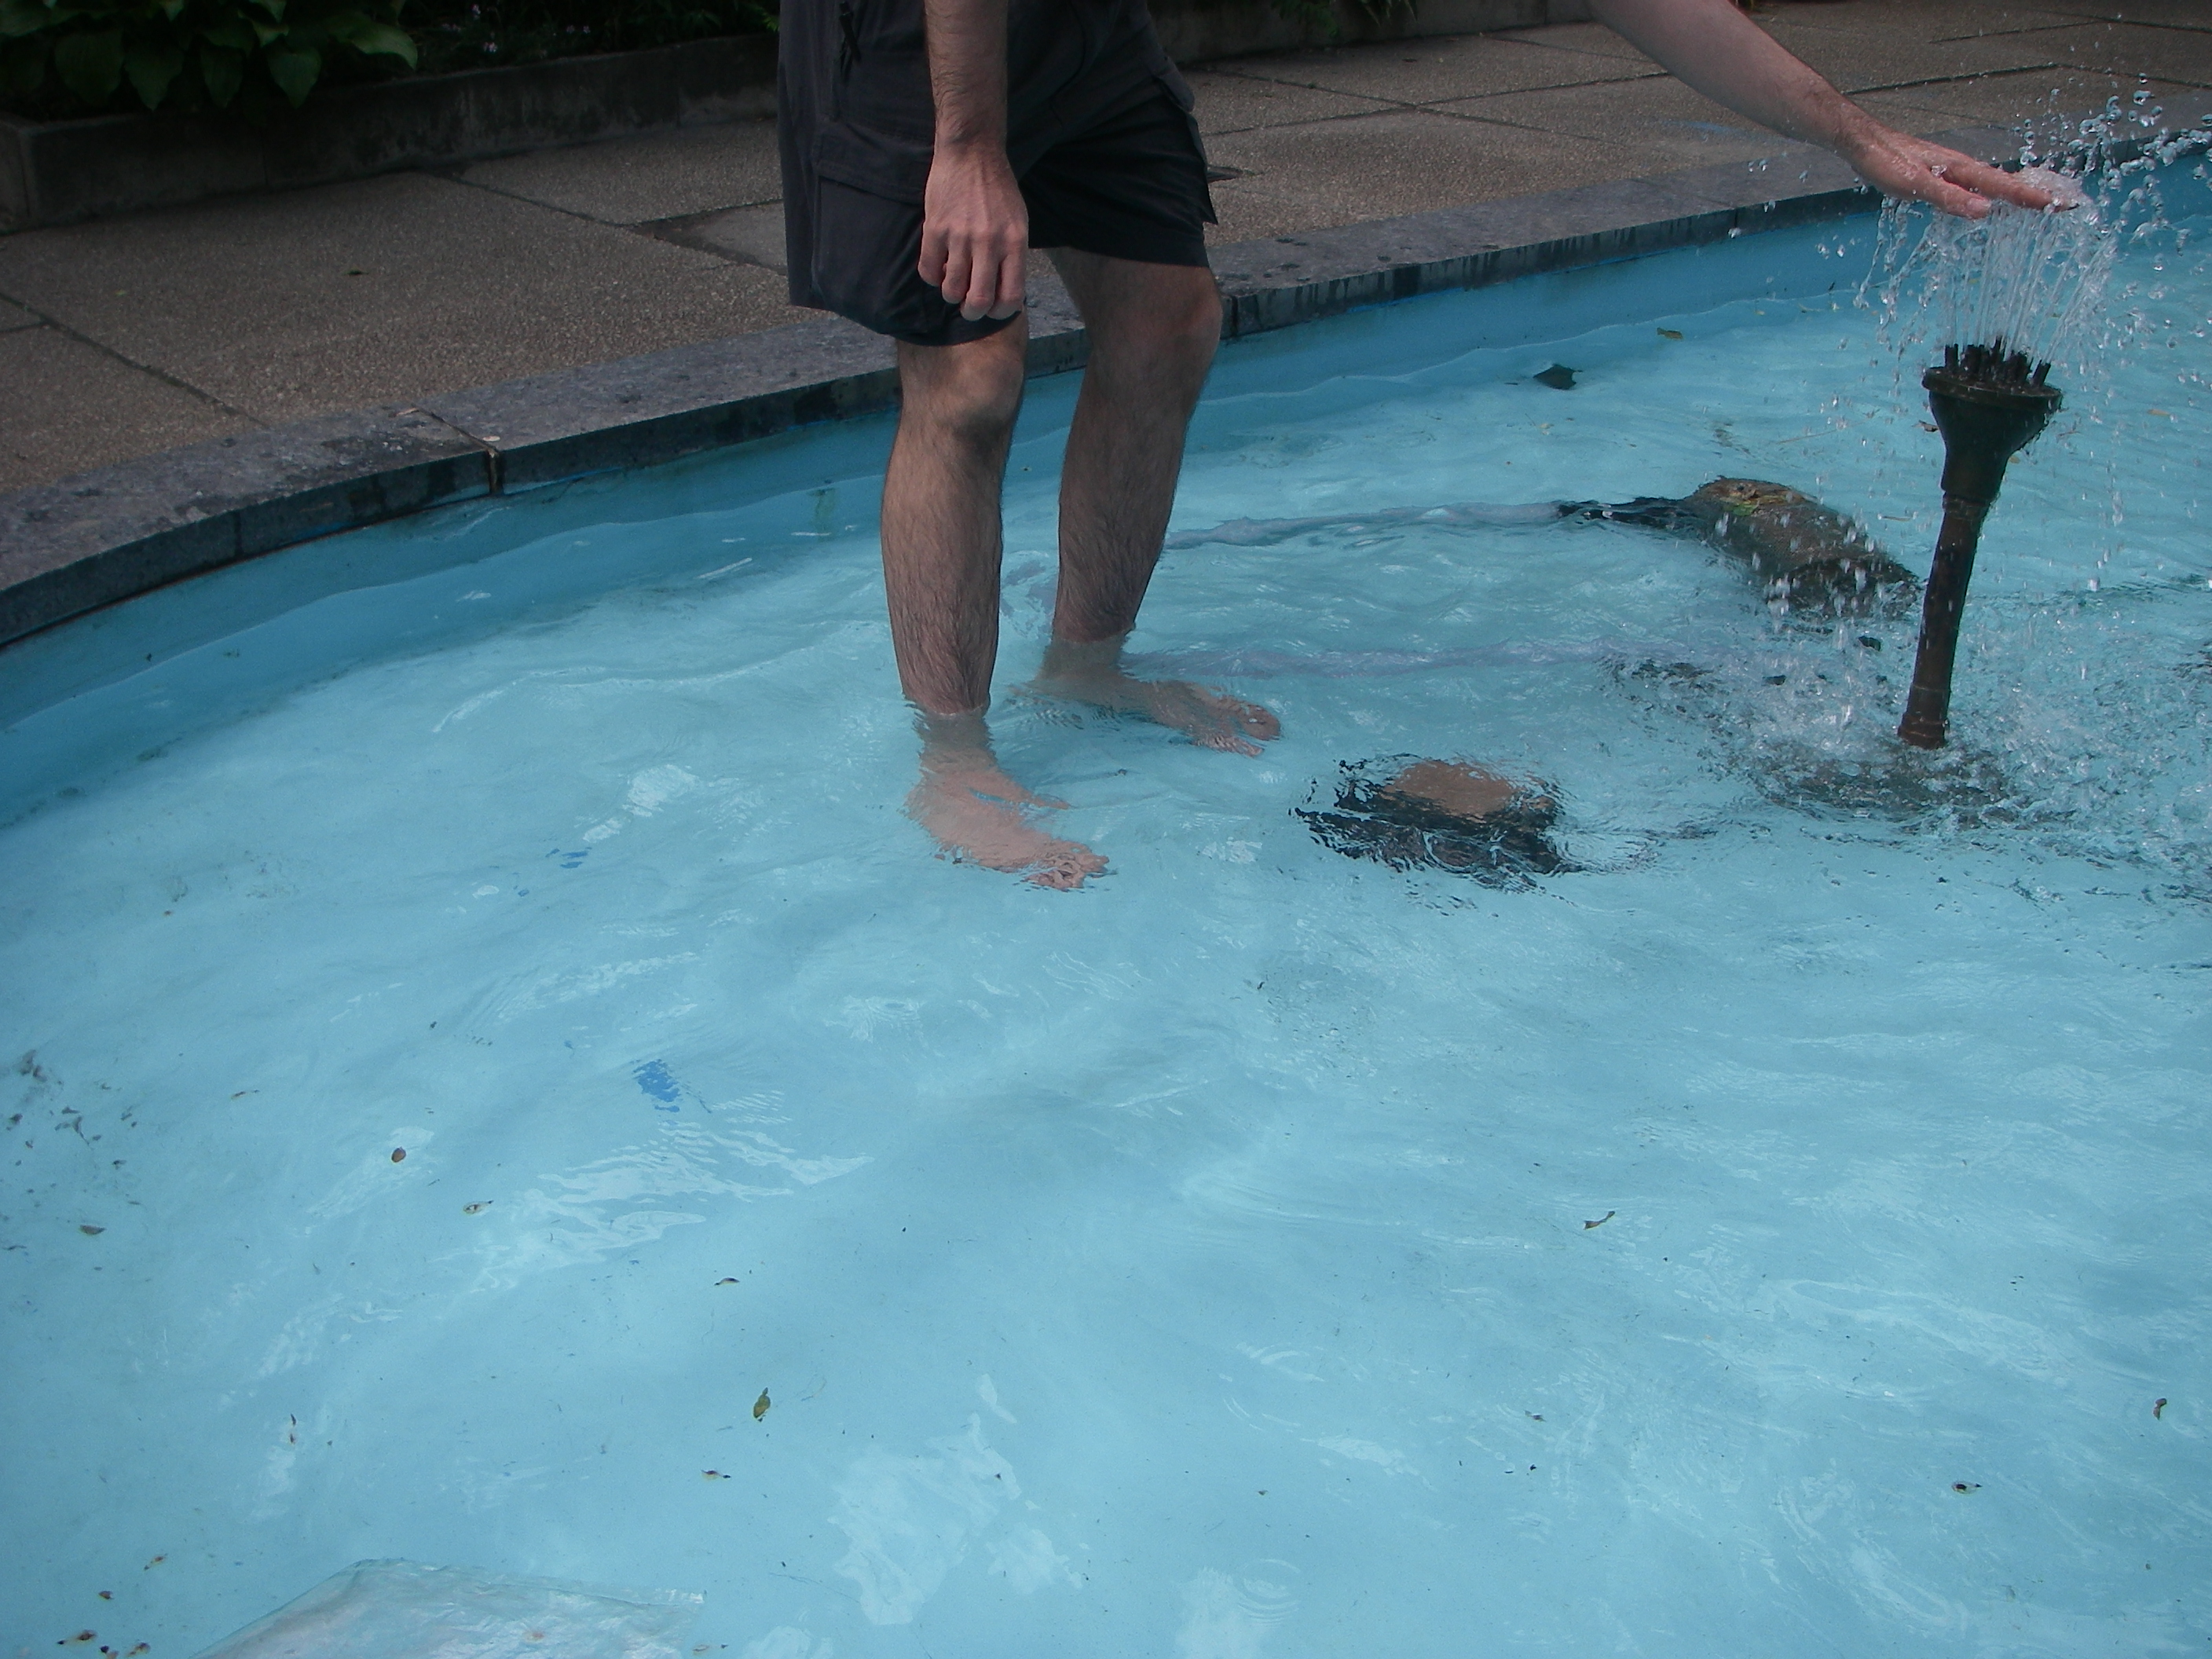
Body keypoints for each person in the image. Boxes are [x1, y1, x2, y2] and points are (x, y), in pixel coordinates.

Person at [778, 0, 2058, 889]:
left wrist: (1857, 137)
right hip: (918, 31)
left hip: (1085, 25)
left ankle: (1085, 668)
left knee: (1167, 321)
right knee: (971, 376)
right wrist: (967, 146)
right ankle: (954, 760)